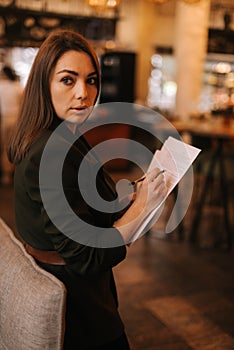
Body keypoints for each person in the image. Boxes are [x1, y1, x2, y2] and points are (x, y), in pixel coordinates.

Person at [8, 29, 166, 350]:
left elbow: (82, 203)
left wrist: (131, 195)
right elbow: (85, 258)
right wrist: (139, 211)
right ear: (44, 83)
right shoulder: (49, 151)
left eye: (91, 80)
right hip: (79, 309)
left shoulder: (60, 133)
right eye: (68, 80)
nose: (84, 92)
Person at [0, 64, 23, 184]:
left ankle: (5, 174)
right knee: (12, 147)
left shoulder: (1, 87)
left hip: (3, 119)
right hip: (16, 119)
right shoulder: (17, 87)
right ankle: (11, 173)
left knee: (3, 147)